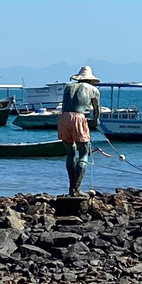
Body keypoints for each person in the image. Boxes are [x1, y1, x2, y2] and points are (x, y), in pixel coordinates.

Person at [57, 66, 101, 196]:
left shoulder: (68, 87)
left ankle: (71, 187)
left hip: (63, 118)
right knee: (83, 153)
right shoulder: (93, 90)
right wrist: (95, 121)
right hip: (78, 117)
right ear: (91, 80)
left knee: (70, 153)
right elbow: (96, 109)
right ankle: (76, 188)